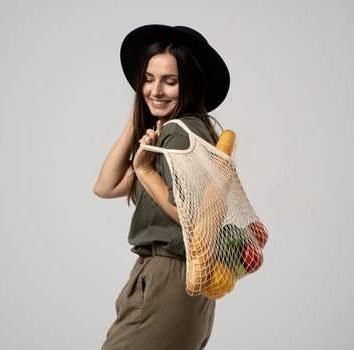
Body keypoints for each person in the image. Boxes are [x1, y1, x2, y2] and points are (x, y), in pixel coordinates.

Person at [93, 24, 230, 350]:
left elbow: (193, 217)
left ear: (191, 86)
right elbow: (105, 185)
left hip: (167, 279)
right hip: (186, 281)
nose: (156, 90)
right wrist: (135, 118)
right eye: (148, 79)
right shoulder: (182, 132)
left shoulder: (178, 135)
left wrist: (143, 169)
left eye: (170, 81)